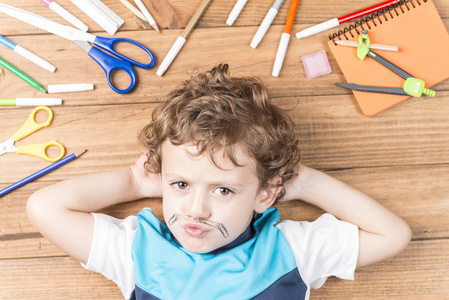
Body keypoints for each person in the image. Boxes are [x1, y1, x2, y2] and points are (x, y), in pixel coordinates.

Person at [26, 64, 411, 299]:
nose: (196, 209)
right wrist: (132, 180)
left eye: (223, 190)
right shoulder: (137, 251)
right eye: (180, 185)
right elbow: (44, 208)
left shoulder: (291, 250)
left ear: (265, 194)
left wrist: (305, 184)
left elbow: (392, 235)